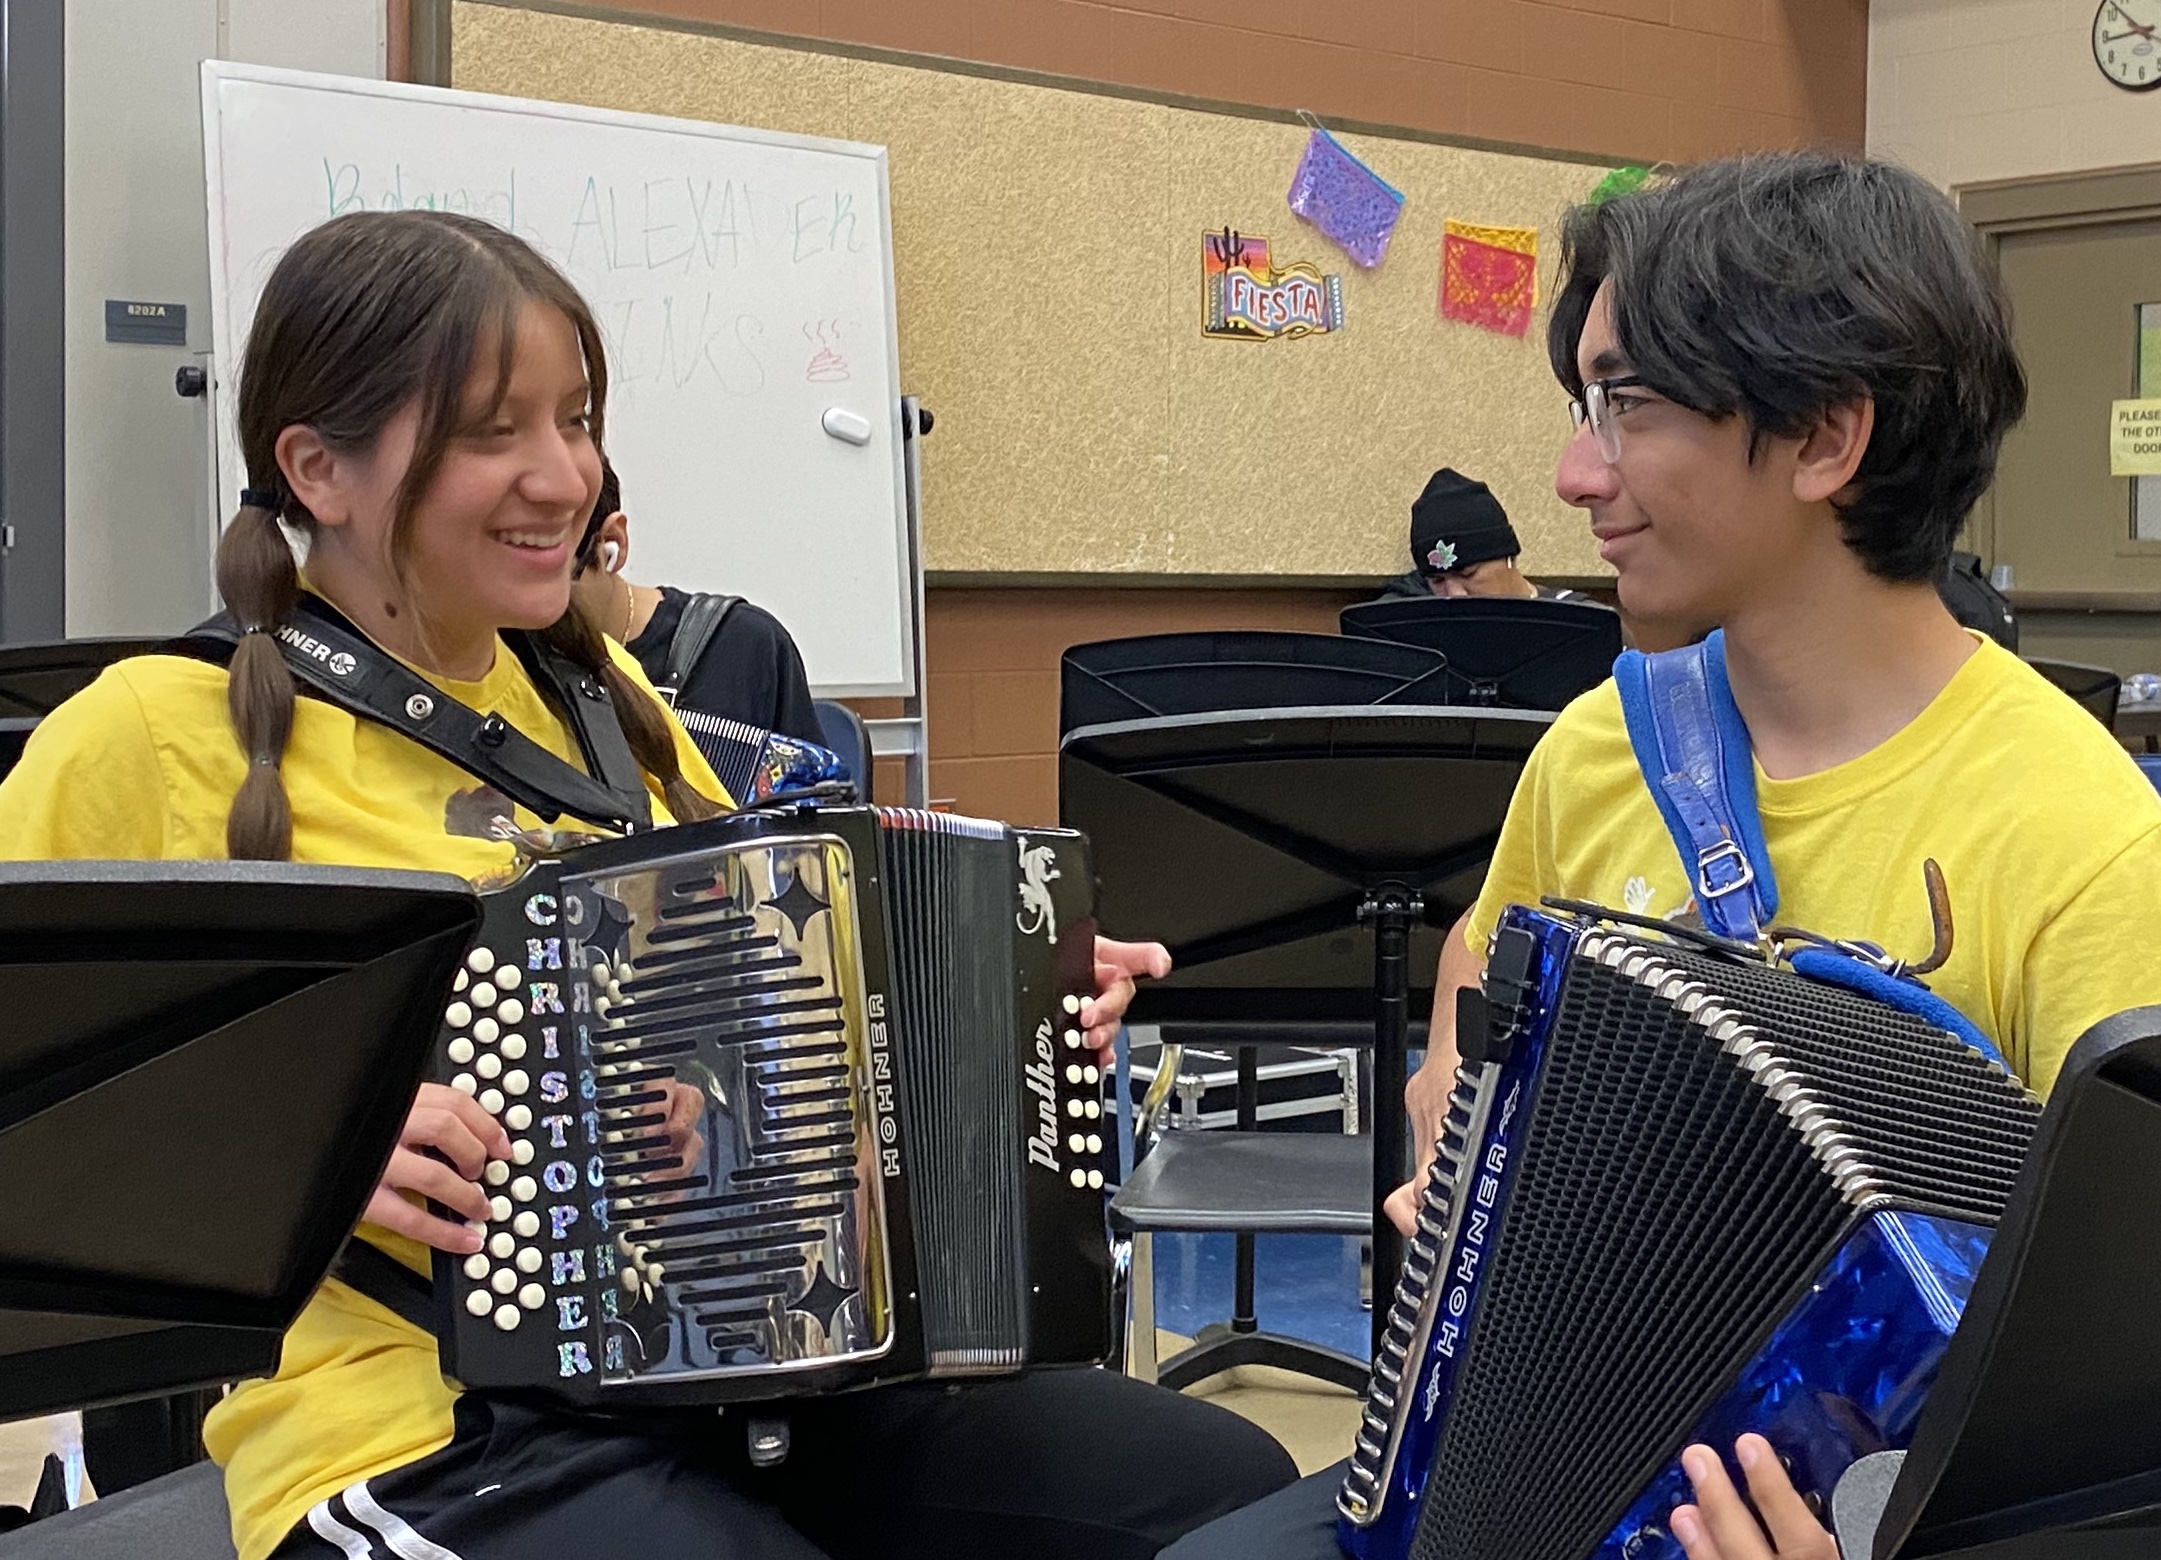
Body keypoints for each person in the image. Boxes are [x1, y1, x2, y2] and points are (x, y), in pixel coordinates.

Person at [0, 209, 1293, 1560]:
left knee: (1225, 1494)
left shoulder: (598, 698)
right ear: (318, 468)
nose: (565, 476)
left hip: (735, 1374)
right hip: (416, 1428)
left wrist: (1021, 1007)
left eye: (576, 419)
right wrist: (297, 1151)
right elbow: (32, 1102)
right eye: (496, 431)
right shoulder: (153, 729)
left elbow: (791, 1017)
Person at [1162, 151, 2161, 1560]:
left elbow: (2148, 1407)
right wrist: (1454, 1149)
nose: (1572, 471)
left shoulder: (2087, 846)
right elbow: (1469, 1001)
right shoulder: (1601, 747)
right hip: (1518, 1462)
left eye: (1631, 406)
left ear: (1825, 438)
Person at [570, 459, 824, 745]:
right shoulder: (516, 670)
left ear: (612, 544)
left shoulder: (743, 646)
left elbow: (808, 786)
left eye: (555, 574)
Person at [1378, 467, 1590, 601]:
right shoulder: (1411, 619)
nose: (1455, 594)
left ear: (1509, 557)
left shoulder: (1581, 618)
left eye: (1468, 573)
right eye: (1438, 581)